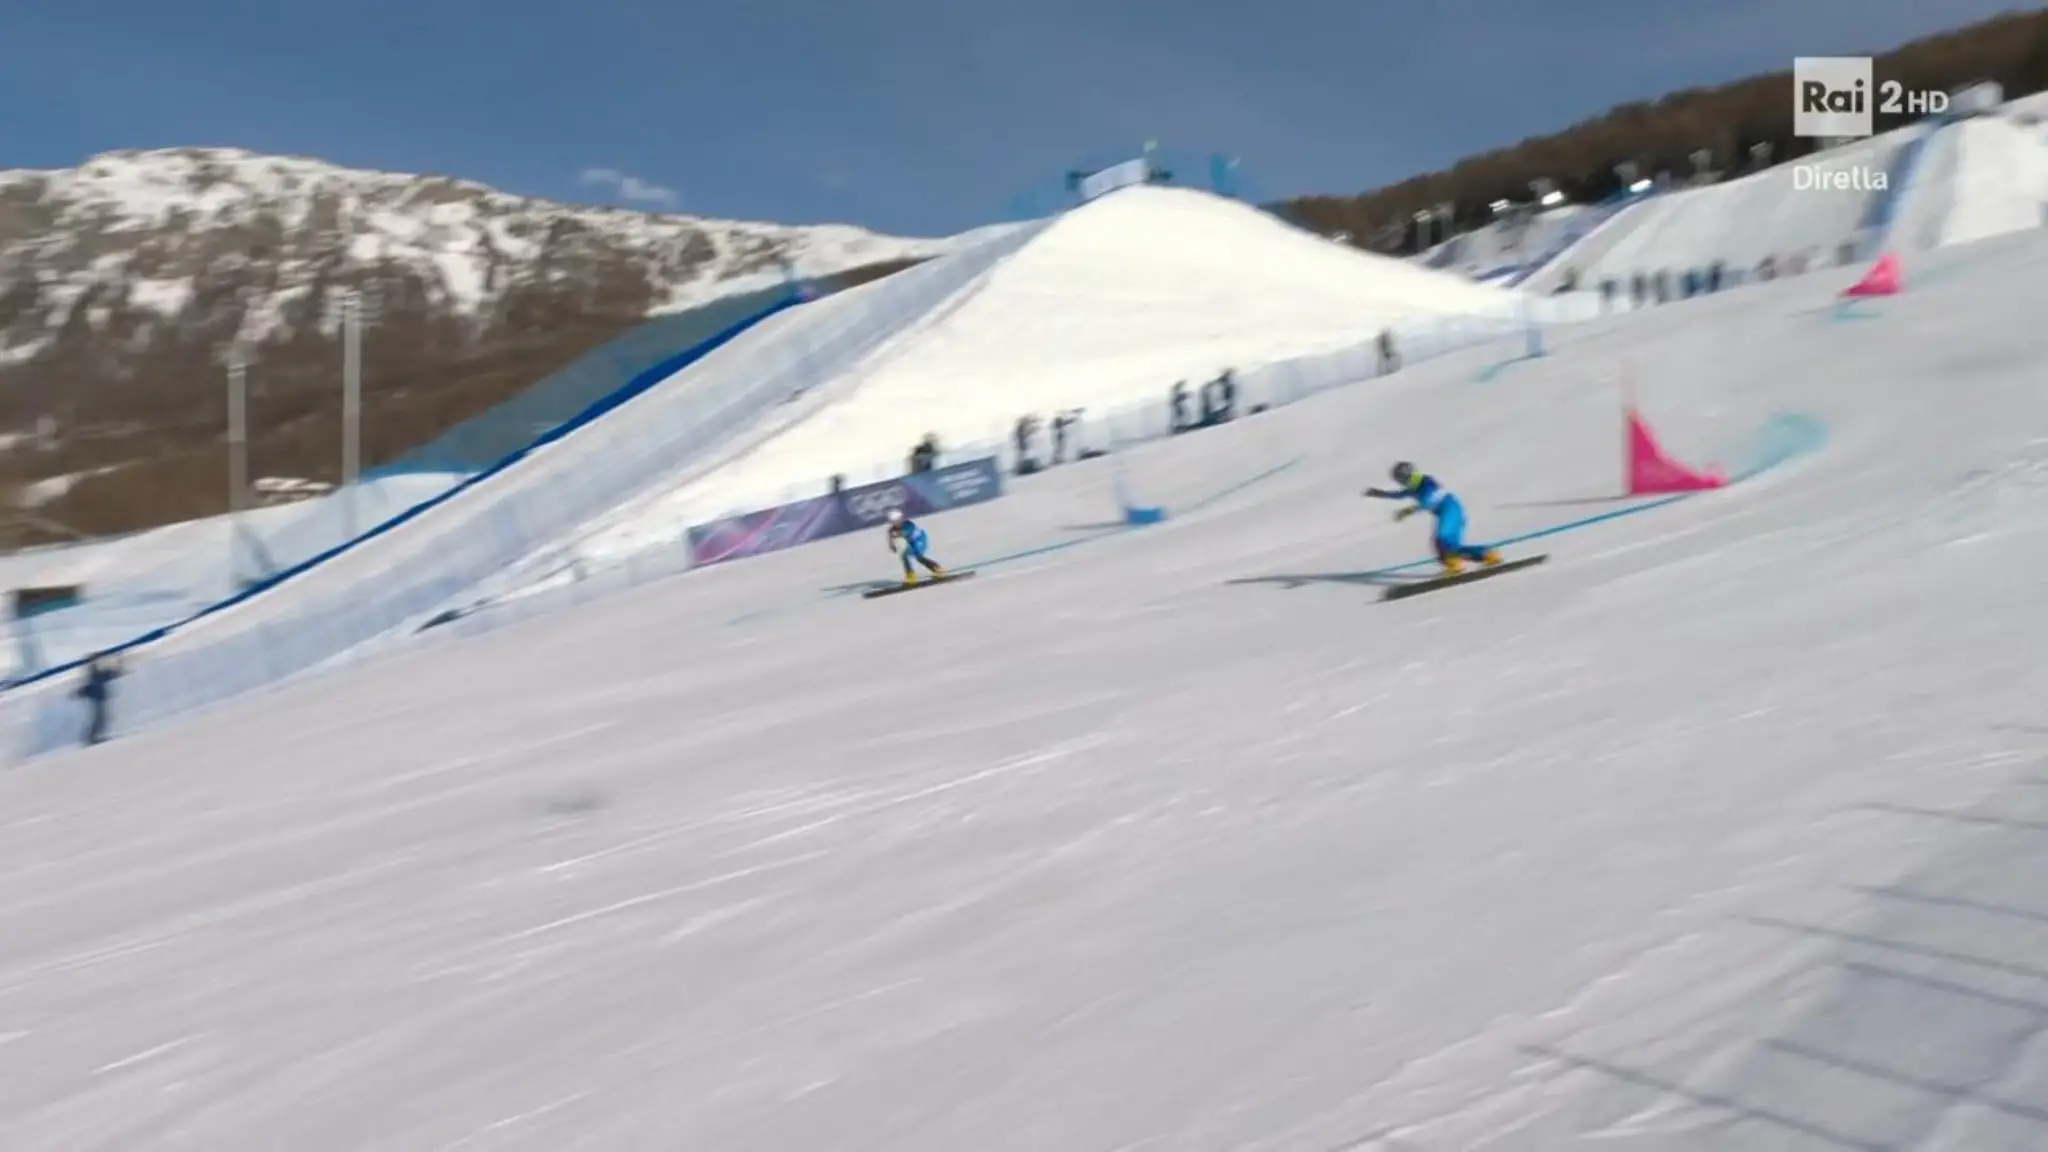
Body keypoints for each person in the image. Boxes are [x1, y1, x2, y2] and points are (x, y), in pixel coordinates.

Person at [1364, 461, 1501, 574]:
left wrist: (1409, 510)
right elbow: (1398, 495)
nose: (1400, 483)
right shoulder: (1413, 487)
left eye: (1399, 479)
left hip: (1450, 510)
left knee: (1445, 541)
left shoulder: (1425, 481)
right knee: (1441, 545)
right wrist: (1378, 493)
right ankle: (1457, 563)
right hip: (1447, 512)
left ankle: (1486, 554)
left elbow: (1429, 499)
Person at [885, 508, 946, 584]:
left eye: (897, 521)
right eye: (893, 522)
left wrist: (897, 534)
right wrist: (892, 545)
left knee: (918, 556)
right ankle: (910, 575)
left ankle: (936, 568)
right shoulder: (892, 529)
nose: (896, 524)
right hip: (910, 542)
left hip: (919, 539)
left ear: (901, 519)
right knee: (904, 556)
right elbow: (891, 537)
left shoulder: (908, 524)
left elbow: (907, 532)